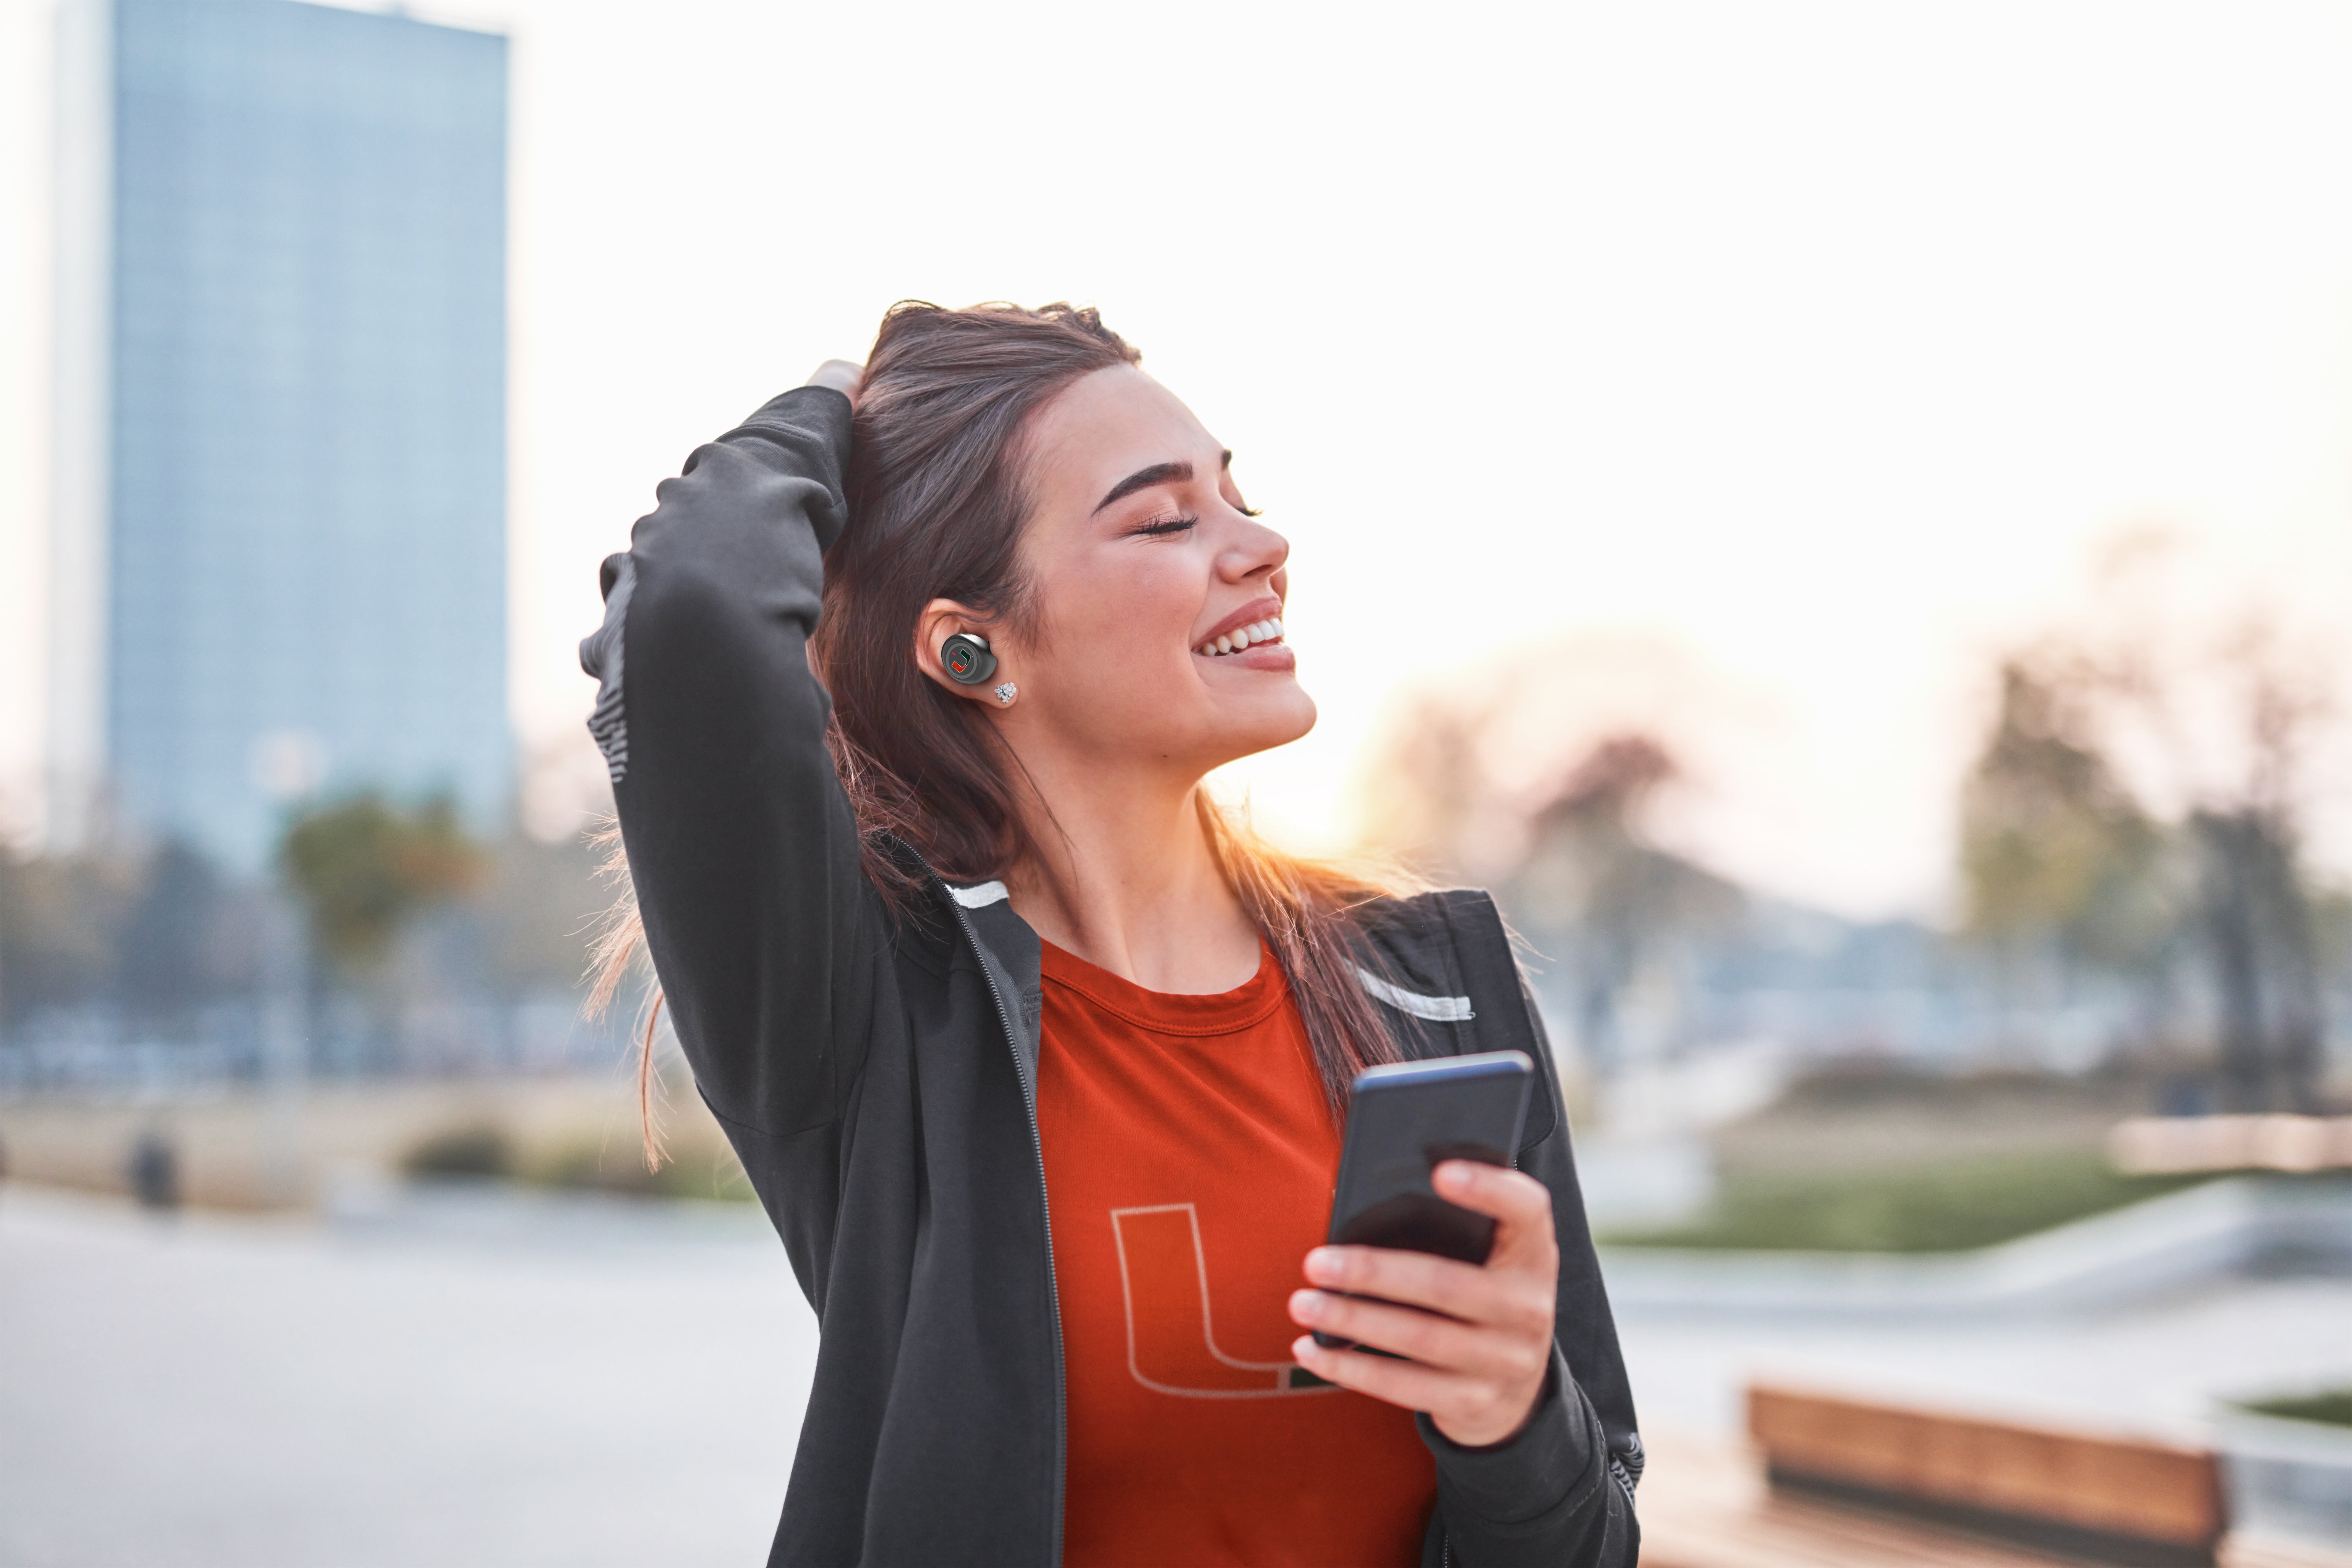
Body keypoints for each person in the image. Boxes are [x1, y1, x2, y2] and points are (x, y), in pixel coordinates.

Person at [583, 302, 1641, 1567]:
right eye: (1166, 517)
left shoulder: (1429, 986)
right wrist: (845, 395)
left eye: (1238, 494)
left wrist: (1514, 1419)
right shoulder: (868, 1013)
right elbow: (691, 607)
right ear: (971, 647)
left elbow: (1591, 1543)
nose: (1262, 544)